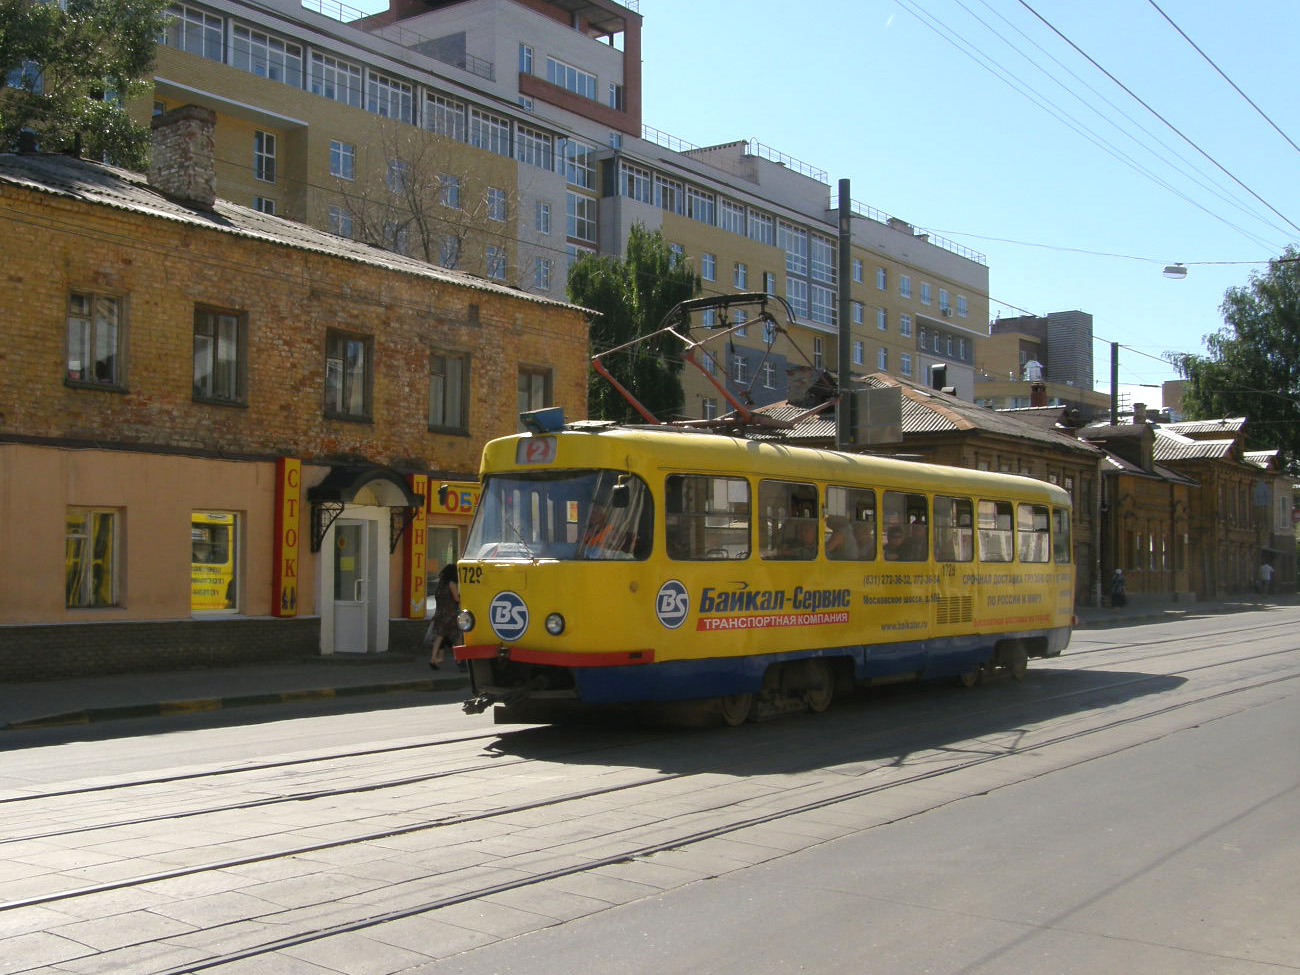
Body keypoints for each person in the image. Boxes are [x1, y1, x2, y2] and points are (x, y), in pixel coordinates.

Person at [425, 562, 461, 669]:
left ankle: (434, 658)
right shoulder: (452, 584)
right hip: (450, 614)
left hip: (440, 614)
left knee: (440, 637)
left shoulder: (441, 584)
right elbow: (456, 598)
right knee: (456, 636)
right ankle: (461, 659)